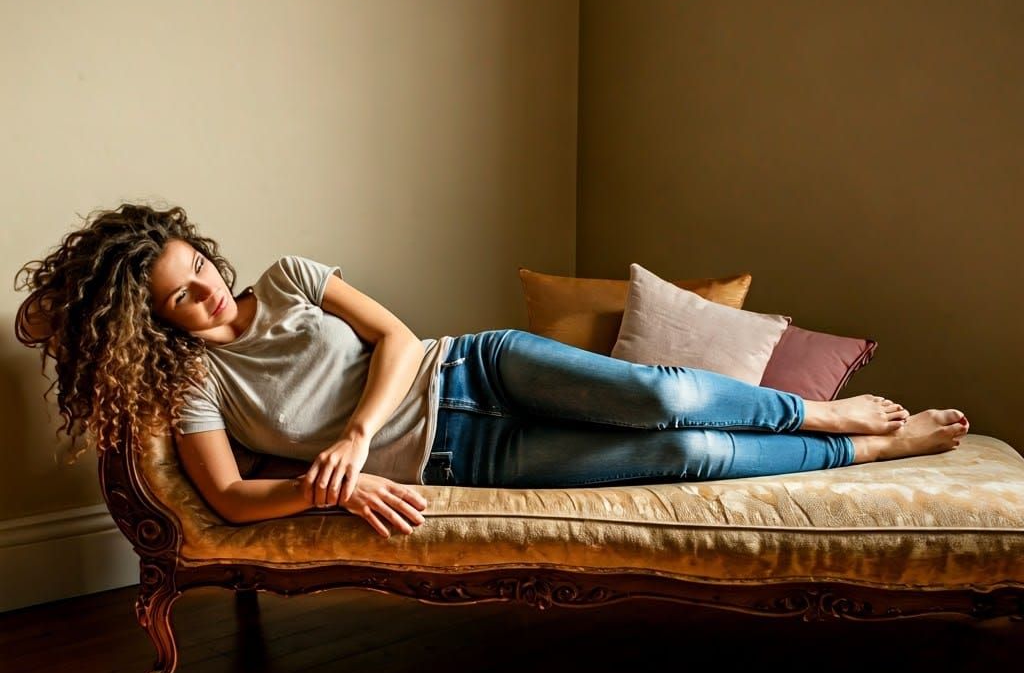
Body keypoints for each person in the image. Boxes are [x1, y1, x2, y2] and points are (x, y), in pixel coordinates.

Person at [15, 203, 969, 537]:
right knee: (689, 456)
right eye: (183, 297)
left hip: (476, 368)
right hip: (460, 460)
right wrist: (329, 492)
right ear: (150, 318)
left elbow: (395, 338)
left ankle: (820, 418)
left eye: (201, 268)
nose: (212, 293)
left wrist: (351, 436)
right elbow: (225, 497)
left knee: (667, 394)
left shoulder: (289, 277)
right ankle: (866, 456)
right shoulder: (192, 384)